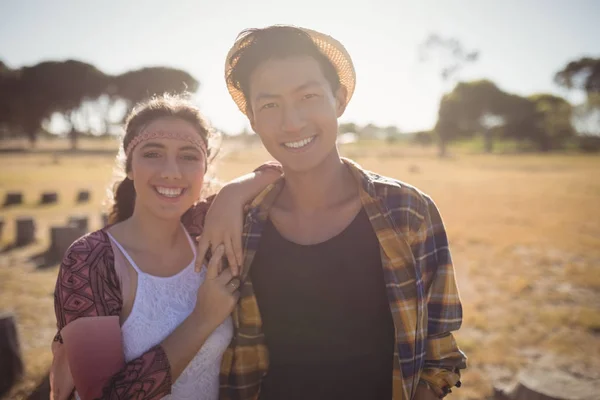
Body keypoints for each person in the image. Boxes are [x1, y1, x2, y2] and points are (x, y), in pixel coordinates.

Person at [217, 25, 467, 400]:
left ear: (340, 100)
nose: (292, 122)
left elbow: (440, 351)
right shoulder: (241, 223)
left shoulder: (409, 213)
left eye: (309, 96)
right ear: (252, 118)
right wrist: (228, 195)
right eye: (270, 105)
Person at [50, 94, 282, 400]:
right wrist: (202, 319)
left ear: (204, 169)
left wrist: (231, 192)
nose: (172, 171)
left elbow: (285, 170)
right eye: (153, 153)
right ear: (130, 167)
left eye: (188, 156)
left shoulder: (204, 231)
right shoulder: (91, 259)